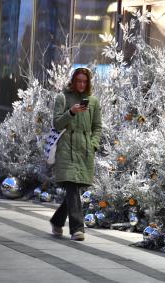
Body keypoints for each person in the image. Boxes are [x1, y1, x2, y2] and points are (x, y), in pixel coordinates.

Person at [50, 67, 102, 241]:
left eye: (84, 81)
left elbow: (97, 127)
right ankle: (77, 229)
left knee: (75, 190)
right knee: (72, 186)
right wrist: (71, 111)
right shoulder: (62, 98)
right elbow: (57, 123)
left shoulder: (93, 101)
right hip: (66, 149)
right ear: (73, 81)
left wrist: (93, 144)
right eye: (78, 81)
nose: (81, 84)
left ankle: (57, 221)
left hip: (85, 151)